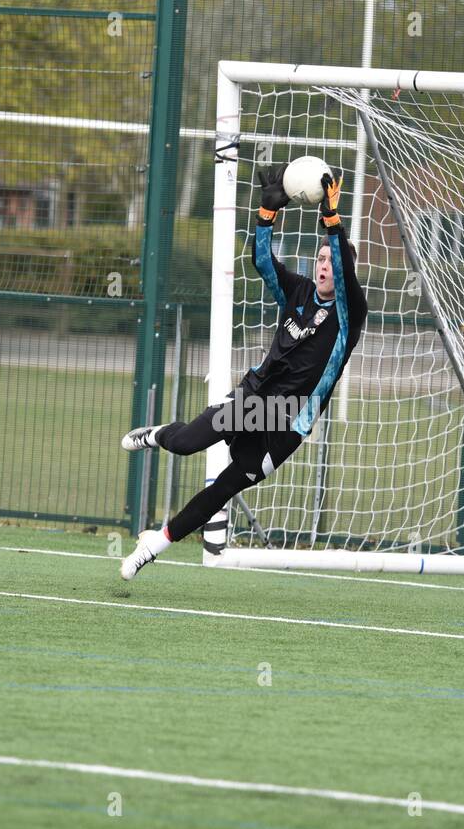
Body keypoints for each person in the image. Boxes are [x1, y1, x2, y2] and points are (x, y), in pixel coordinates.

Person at [117, 163, 367, 579]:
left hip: (287, 424)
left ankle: (153, 545)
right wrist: (266, 214)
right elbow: (263, 263)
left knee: (224, 487)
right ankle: (157, 435)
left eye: (331, 260)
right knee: (186, 443)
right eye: (320, 258)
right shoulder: (299, 291)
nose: (325, 265)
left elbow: (343, 270)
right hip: (254, 397)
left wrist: (331, 217)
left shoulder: (350, 312)